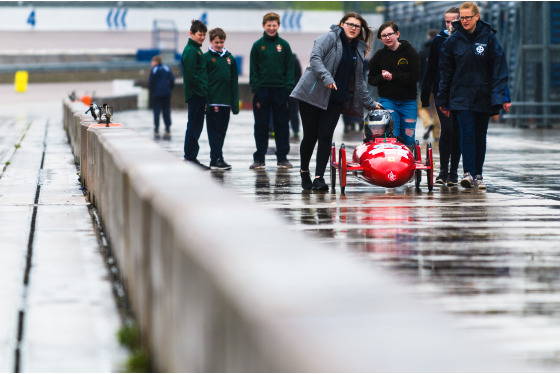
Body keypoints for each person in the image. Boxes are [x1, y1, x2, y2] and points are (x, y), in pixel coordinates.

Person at [290, 12, 381, 191]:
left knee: (325, 137)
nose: (353, 28)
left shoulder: (358, 49)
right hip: (312, 94)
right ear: (341, 24)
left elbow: (358, 80)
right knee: (310, 136)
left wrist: (370, 103)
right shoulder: (330, 37)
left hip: (335, 98)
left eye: (357, 26)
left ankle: (319, 178)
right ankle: (304, 171)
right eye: (350, 24)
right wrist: (327, 77)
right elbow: (315, 58)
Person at [436, 2, 509, 189]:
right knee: (467, 135)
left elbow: (499, 68)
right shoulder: (453, 41)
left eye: (468, 17)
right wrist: (443, 99)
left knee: (479, 136)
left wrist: (501, 96)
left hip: (482, 95)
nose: (465, 20)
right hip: (460, 96)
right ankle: (467, 173)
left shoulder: (489, 38)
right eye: (462, 17)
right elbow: (446, 72)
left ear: (477, 17)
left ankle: (479, 174)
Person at [421, 7, 462, 186]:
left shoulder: (465, 39)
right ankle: (443, 170)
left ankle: (454, 172)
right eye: (447, 21)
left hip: (461, 93)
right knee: (447, 129)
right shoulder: (438, 40)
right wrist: (424, 96)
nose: (450, 24)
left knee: (458, 131)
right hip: (441, 91)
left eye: (454, 21)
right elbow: (430, 69)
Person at [249, 12, 295, 170]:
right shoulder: (257, 46)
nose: (271, 28)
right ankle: (259, 158)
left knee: (282, 125)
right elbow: (253, 69)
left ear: (278, 26)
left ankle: (282, 157)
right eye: (268, 25)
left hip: (281, 91)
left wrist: (288, 87)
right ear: (263, 26)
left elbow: (290, 69)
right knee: (261, 126)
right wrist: (256, 87)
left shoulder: (284, 45)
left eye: (274, 25)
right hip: (262, 91)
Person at [368, 20, 420, 148]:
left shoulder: (409, 52)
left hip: (408, 101)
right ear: (380, 39)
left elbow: (416, 75)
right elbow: (371, 79)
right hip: (388, 100)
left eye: (390, 34)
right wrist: (382, 77)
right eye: (384, 36)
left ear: (397, 34)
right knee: (392, 135)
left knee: (408, 136)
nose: (387, 38)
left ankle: (407, 162)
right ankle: (392, 163)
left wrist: (393, 77)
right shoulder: (379, 55)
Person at [203, 27, 239, 170]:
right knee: (214, 132)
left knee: (222, 131)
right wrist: (206, 102)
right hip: (213, 102)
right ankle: (216, 158)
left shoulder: (230, 59)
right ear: (211, 41)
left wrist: (234, 104)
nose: (219, 45)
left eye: (221, 42)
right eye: (216, 42)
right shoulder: (206, 58)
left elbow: (234, 82)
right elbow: (204, 81)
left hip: (226, 102)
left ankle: (217, 158)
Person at [181, 19, 209, 170]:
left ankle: (191, 156)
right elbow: (192, 77)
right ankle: (190, 157)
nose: (202, 37)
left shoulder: (197, 49)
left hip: (199, 94)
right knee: (194, 126)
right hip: (196, 95)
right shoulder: (191, 51)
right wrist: (202, 92)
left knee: (195, 125)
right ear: (191, 33)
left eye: (204, 34)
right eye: (200, 34)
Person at [417, 29, 440, 141]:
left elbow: (418, 71)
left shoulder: (422, 52)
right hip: (439, 86)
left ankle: (427, 124)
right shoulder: (442, 50)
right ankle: (436, 135)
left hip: (425, 86)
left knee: (422, 108)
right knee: (437, 110)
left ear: (428, 37)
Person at [149, 55, 175, 139]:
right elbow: (172, 79)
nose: (151, 63)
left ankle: (156, 127)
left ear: (156, 62)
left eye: (152, 61)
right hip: (166, 92)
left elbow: (151, 82)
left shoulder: (154, 70)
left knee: (157, 110)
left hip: (157, 93)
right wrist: (169, 88)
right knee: (166, 109)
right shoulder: (166, 68)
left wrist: (153, 91)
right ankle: (167, 127)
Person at [289, 53, 302, 139]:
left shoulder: (285, 60)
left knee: (281, 112)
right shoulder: (295, 61)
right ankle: (296, 130)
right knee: (294, 112)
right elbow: (299, 76)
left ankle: (276, 129)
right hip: (294, 91)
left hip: (286, 90)